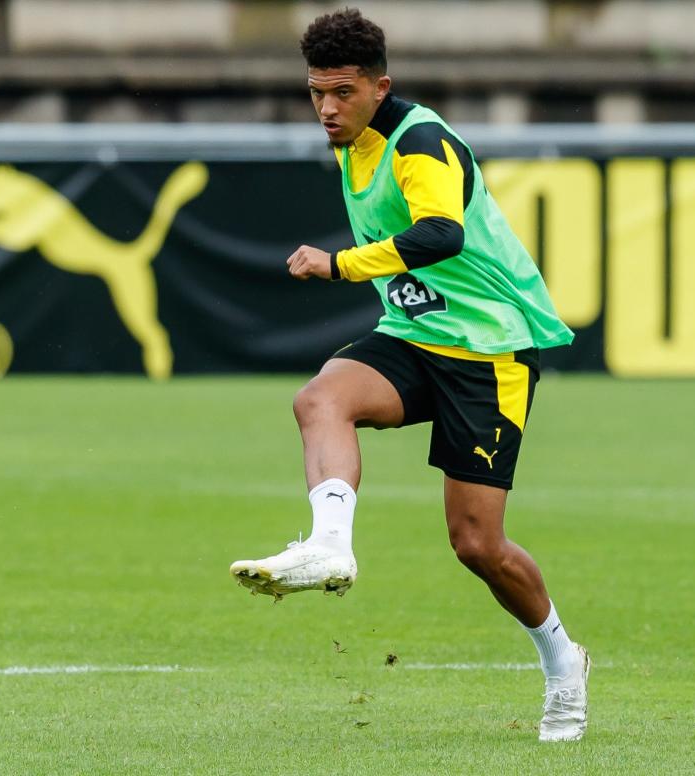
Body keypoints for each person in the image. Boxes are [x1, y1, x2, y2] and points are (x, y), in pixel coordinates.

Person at [229, 8, 589, 743]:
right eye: (314, 93)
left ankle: (563, 660)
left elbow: (440, 234)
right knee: (319, 399)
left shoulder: (418, 140)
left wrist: (339, 264)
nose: (326, 109)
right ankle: (329, 543)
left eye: (341, 93)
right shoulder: (350, 143)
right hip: (416, 333)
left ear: (378, 86)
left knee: (476, 545)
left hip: (489, 350)